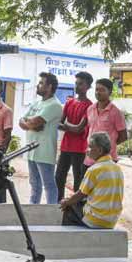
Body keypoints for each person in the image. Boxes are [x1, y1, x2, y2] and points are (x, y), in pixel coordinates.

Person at [59, 132, 124, 229]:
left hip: (96, 219)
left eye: (90, 147)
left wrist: (66, 202)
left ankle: (70, 240)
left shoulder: (94, 169)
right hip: (112, 220)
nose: (87, 150)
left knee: (69, 207)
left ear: (99, 150)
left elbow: (80, 194)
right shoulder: (117, 168)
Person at [19, 72, 64, 204]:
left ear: (49, 87)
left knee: (49, 185)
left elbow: (35, 121)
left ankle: (51, 213)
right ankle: (33, 211)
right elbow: (22, 120)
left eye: (41, 83)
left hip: (44, 151)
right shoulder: (36, 103)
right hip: (31, 151)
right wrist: (31, 124)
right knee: (34, 185)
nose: (38, 86)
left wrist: (30, 123)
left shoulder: (54, 105)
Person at [55, 71, 93, 202]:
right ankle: (58, 203)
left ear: (88, 86)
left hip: (80, 148)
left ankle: (76, 206)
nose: (77, 86)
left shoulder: (89, 106)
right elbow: (59, 123)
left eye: (81, 84)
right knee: (59, 177)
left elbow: (78, 129)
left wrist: (66, 125)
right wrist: (70, 126)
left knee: (78, 179)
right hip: (66, 146)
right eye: (76, 83)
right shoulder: (69, 102)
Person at [84, 78, 128, 166]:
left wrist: (108, 145)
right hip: (90, 157)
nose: (98, 92)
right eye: (96, 89)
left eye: (102, 90)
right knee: (86, 179)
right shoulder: (90, 109)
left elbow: (123, 136)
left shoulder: (115, 112)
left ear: (110, 92)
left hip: (107, 159)